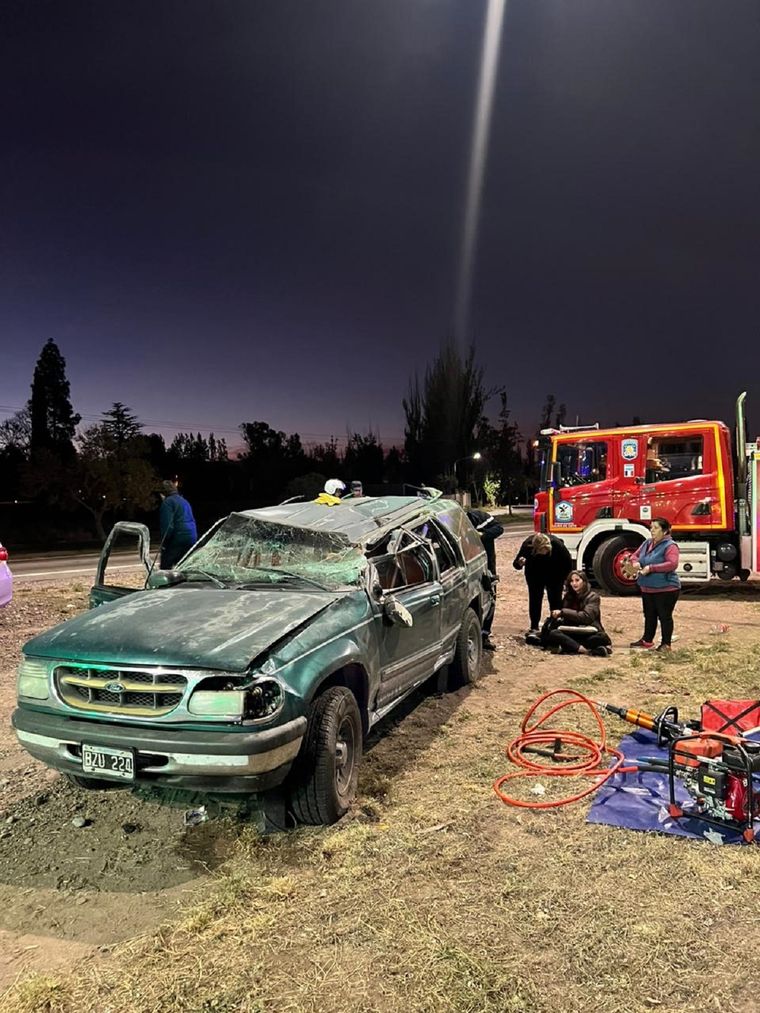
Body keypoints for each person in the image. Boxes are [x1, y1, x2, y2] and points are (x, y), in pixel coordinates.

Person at [629, 517, 680, 651]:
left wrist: (651, 568)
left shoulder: (670, 546)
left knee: (664, 616)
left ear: (664, 531)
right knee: (649, 615)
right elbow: (634, 555)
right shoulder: (647, 543)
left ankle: (666, 644)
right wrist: (636, 562)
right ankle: (647, 640)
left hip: (666, 588)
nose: (652, 530)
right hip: (647, 588)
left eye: (655, 528)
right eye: (651, 527)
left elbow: (672, 564)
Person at [513, 532, 572, 641]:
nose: (545, 552)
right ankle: (534, 626)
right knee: (535, 598)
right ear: (535, 549)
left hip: (555, 573)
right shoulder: (527, 545)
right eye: (542, 550)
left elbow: (568, 564)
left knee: (555, 599)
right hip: (534, 574)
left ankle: (555, 625)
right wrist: (520, 563)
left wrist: (567, 581)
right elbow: (516, 564)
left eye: (547, 549)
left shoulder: (557, 545)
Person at [540, 570, 612, 656]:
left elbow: (586, 617)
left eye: (577, 580)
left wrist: (563, 612)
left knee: (599, 638)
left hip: (589, 631)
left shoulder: (593, 597)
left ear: (584, 581)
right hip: (571, 630)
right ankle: (584, 650)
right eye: (571, 581)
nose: (574, 583)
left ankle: (571, 648)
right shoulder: (568, 597)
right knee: (554, 634)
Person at [467, 508, 505, 651]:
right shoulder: (452, 525)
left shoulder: (479, 516)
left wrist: (482, 535)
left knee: (490, 597)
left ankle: (484, 635)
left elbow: (499, 528)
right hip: (468, 567)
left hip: (487, 566)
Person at [159, 479, 197, 569]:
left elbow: (167, 525)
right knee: (183, 566)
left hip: (177, 538)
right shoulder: (184, 501)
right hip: (191, 537)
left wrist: (164, 542)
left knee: (165, 566)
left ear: (163, 493)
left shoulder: (167, 502)